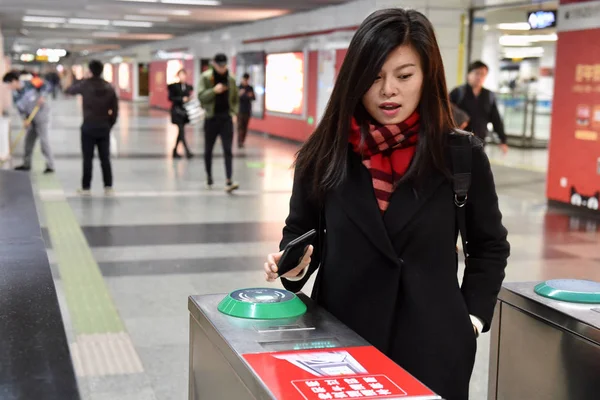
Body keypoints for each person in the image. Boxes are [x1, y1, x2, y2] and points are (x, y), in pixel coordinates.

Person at [263, 9, 510, 400]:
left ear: (427, 76)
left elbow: (489, 246)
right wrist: (291, 266)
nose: (388, 90)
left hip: (435, 347)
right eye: (374, 77)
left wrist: (472, 319)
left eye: (404, 75)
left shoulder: (460, 155)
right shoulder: (324, 154)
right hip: (343, 344)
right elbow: (302, 235)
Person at [65, 60, 118, 196]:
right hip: (104, 127)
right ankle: (108, 187)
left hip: (88, 127)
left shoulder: (85, 85)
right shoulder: (109, 87)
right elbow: (115, 110)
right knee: (105, 158)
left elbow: (69, 90)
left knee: (87, 158)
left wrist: (81, 78)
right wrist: (109, 124)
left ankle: (86, 187)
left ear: (90, 70)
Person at [198, 53, 240, 193]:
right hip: (211, 118)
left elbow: (235, 99)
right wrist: (213, 91)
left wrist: (233, 113)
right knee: (208, 149)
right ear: (214, 64)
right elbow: (201, 97)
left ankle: (229, 180)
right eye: (219, 65)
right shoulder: (206, 77)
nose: (222, 68)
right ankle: (209, 177)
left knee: (228, 150)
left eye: (224, 65)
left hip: (226, 119)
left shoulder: (231, 78)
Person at [450, 61, 509, 154]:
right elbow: (444, 113)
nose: (479, 77)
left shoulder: (488, 95)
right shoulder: (458, 93)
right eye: (477, 73)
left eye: (483, 74)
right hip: (459, 142)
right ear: (469, 74)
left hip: (479, 142)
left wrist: (502, 140)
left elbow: (496, 118)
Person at [3, 72, 55, 173]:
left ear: (14, 81)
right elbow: (20, 109)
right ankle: (26, 164)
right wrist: (25, 120)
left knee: (44, 142)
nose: (8, 87)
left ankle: (50, 165)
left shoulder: (31, 82)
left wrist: (42, 96)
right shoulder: (15, 95)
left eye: (9, 84)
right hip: (30, 119)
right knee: (28, 143)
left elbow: (48, 85)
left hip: (41, 116)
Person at [168, 69, 194, 159]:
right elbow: (170, 98)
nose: (183, 77)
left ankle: (175, 150)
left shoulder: (187, 87)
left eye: (184, 75)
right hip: (177, 111)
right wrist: (181, 99)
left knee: (180, 132)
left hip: (184, 112)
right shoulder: (173, 86)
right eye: (181, 75)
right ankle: (187, 151)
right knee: (182, 131)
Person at [237, 73, 255, 149]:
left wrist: (245, 95)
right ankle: (239, 142)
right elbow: (236, 97)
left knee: (245, 127)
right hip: (239, 110)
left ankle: (242, 141)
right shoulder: (238, 87)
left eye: (247, 80)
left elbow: (253, 97)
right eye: (244, 79)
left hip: (247, 110)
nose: (245, 81)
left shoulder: (250, 88)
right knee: (240, 127)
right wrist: (245, 95)